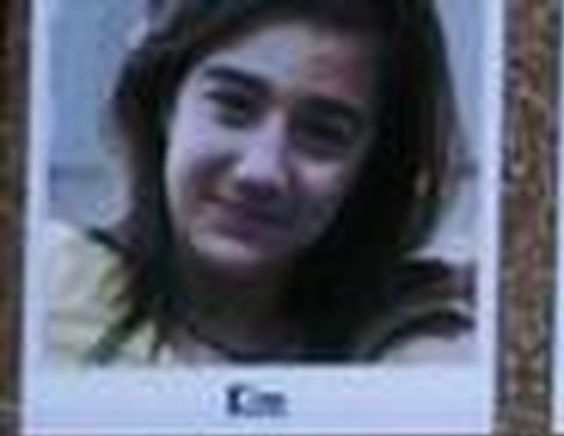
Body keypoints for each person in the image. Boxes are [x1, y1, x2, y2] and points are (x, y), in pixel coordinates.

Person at [42, 0, 473, 367]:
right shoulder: (44, 291)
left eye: (322, 132)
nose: (261, 171)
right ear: (165, 103)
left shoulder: (414, 340)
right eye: (234, 105)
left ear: (372, 165)